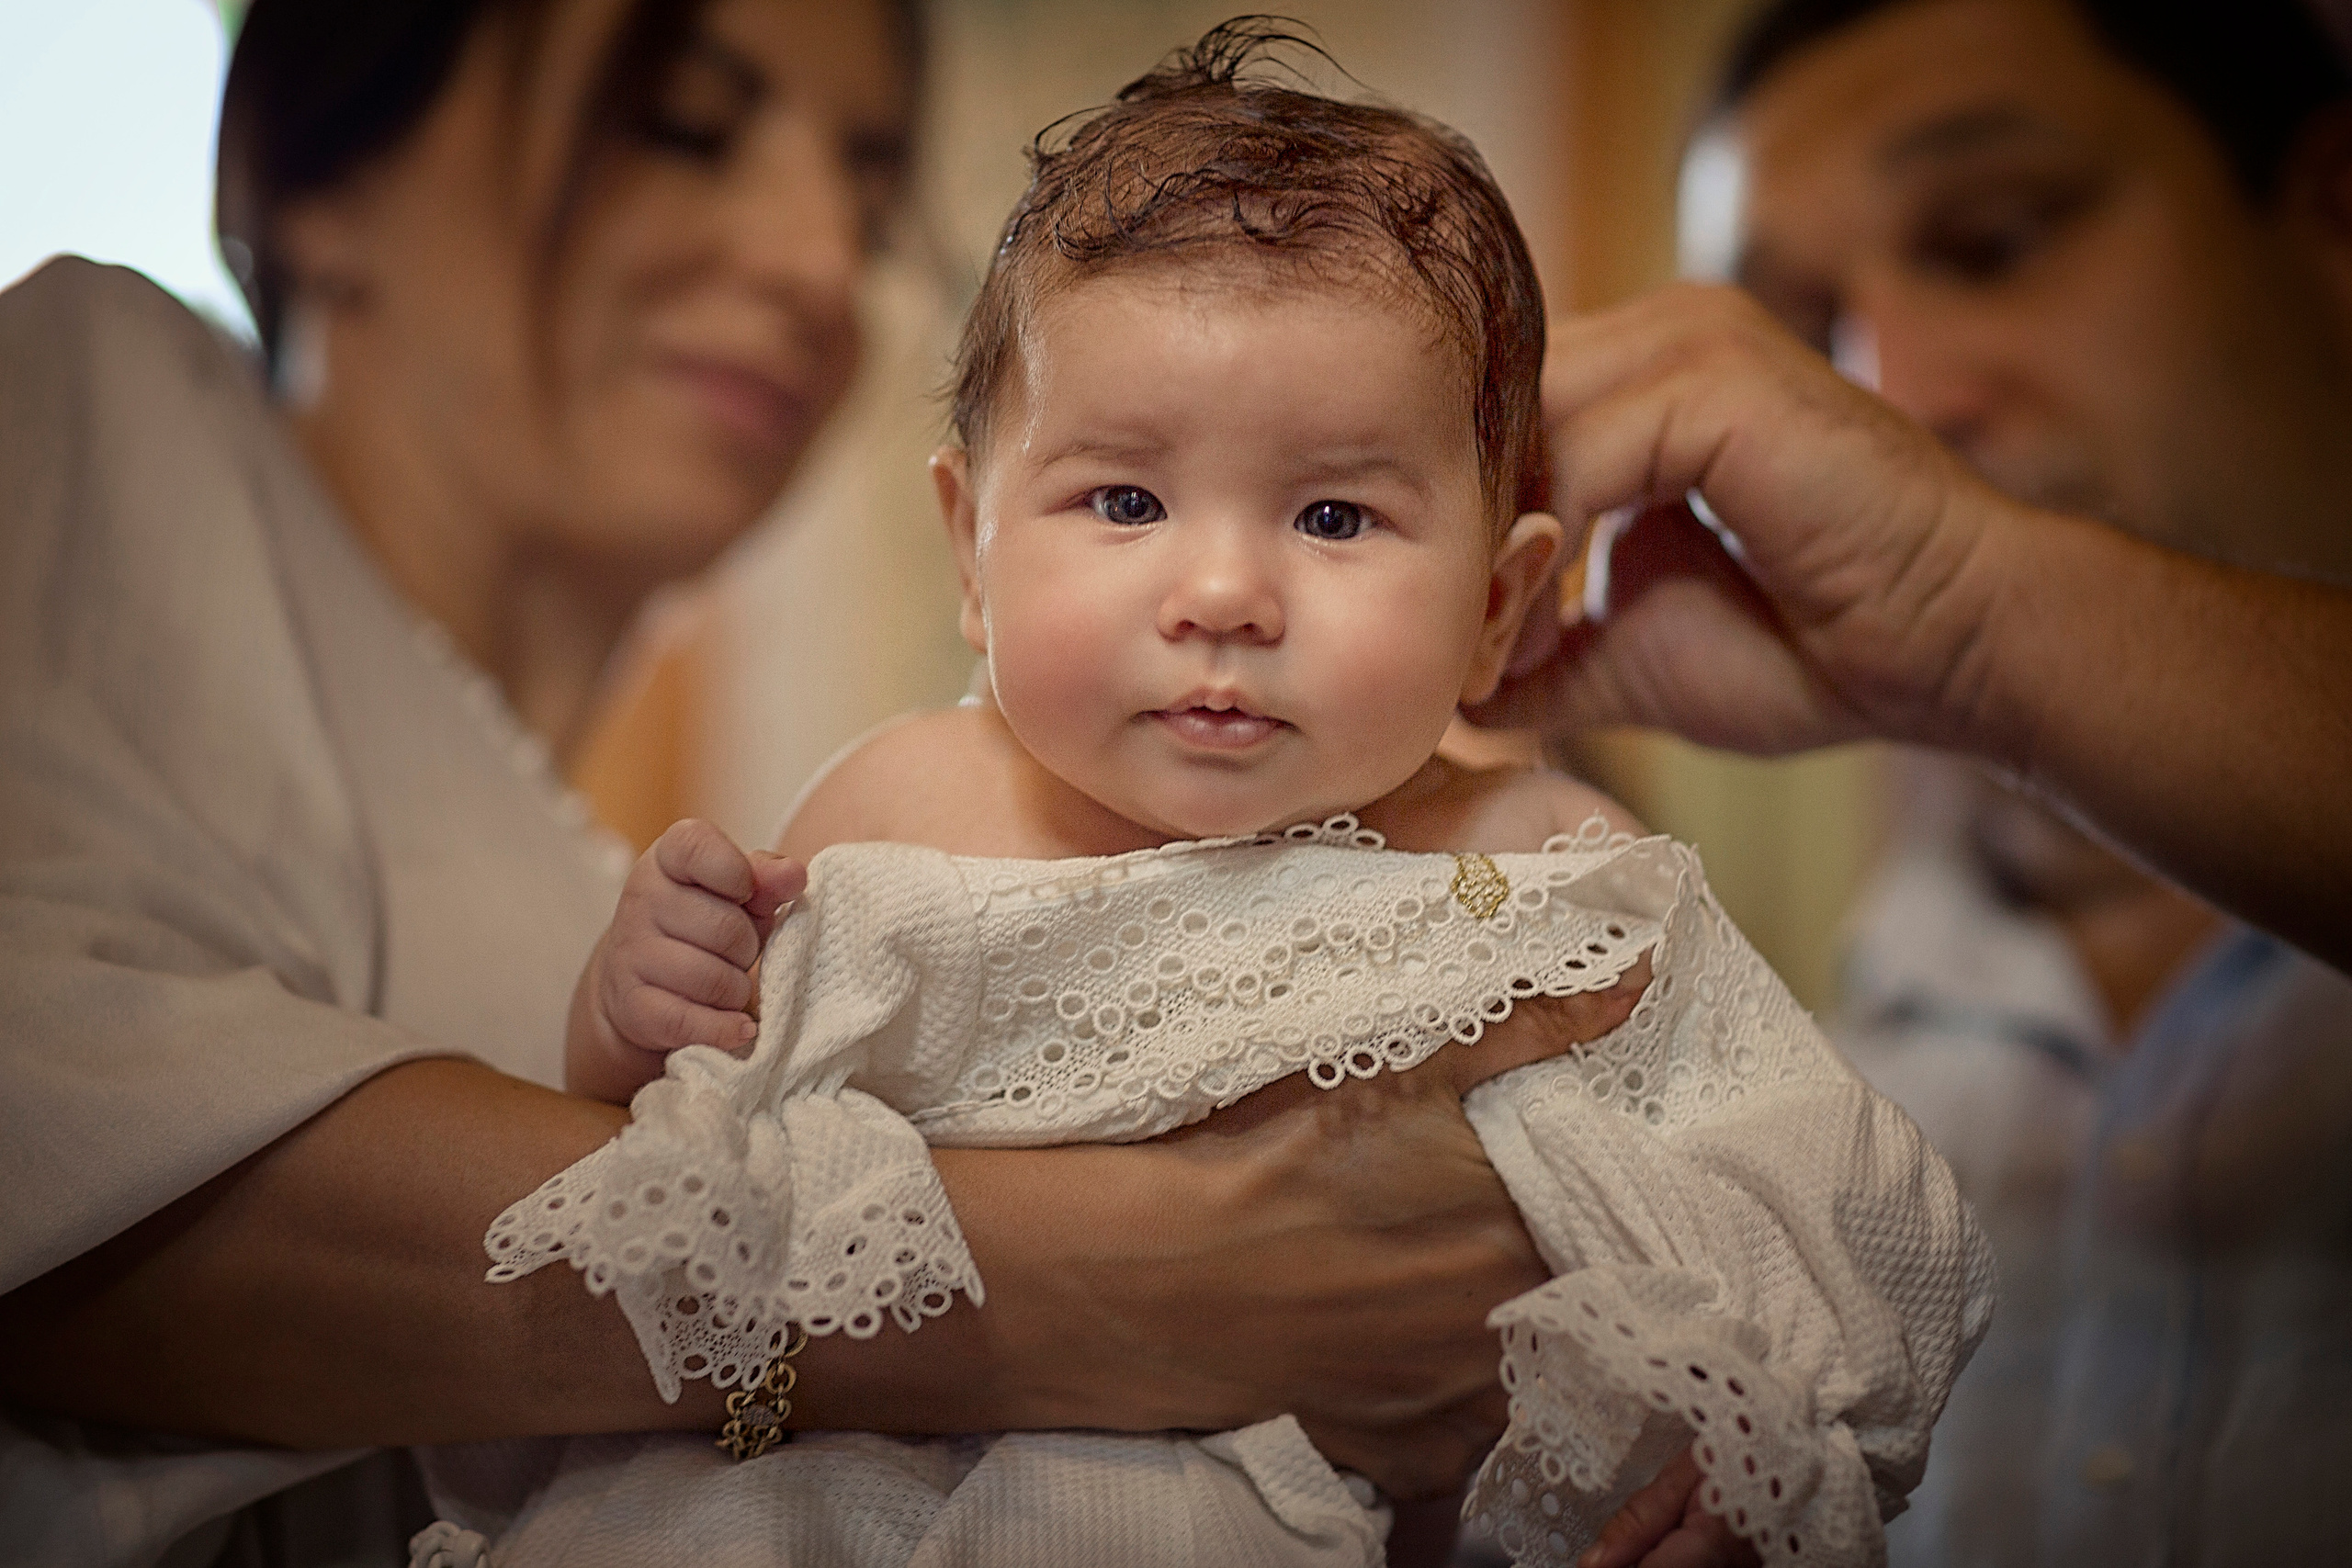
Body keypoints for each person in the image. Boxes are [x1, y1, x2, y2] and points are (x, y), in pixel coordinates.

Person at [0, 4, 1617, 1563]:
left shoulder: (638, 876)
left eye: (862, 181)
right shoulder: (85, 402)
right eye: (684, 128)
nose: (814, 260)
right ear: (301, 167)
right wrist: (1166, 1285)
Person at [416, 30, 1991, 1568]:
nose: (1225, 592)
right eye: (1125, 499)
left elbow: (1804, 1165)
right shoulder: (897, 804)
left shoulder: (1540, 870)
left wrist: (1768, 1435)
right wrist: (639, 1007)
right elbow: (662, 1165)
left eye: (1333, 512)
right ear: (972, 552)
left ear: (1499, 606)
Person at [1480, 0, 2352, 1562]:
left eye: (1994, 240)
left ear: (2334, 216)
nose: (1888, 395)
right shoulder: (1779, 1129)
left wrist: (1970, 615)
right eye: (1802, 337)